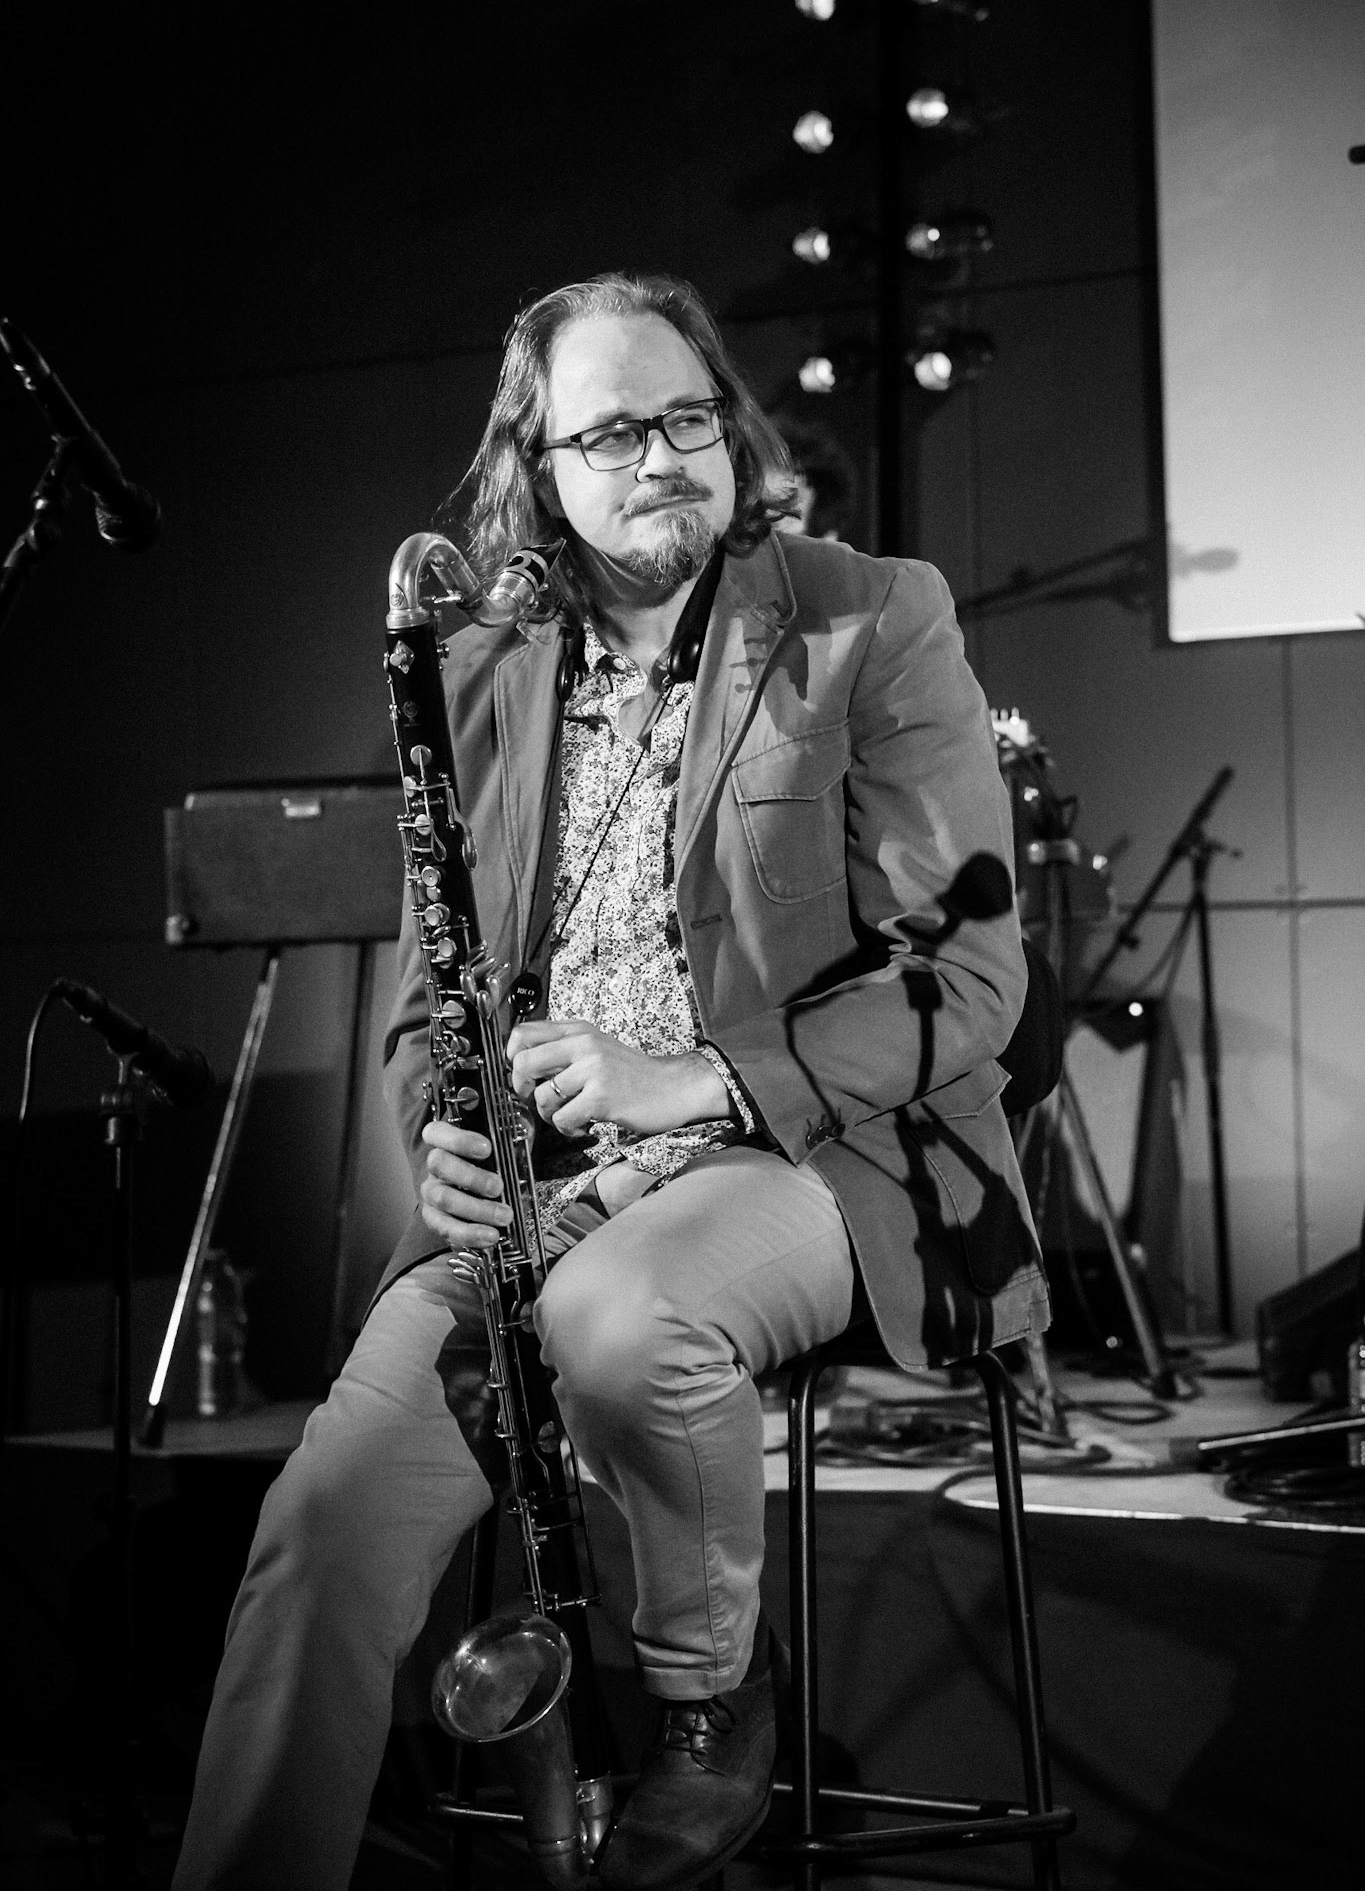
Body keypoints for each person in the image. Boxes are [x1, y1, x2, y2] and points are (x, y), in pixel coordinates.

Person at [173, 271, 1049, 1891]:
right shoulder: (479, 664)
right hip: (537, 1198)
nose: (664, 457)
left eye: (689, 416)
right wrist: (429, 1132)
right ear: (538, 467)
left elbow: (976, 981)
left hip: (803, 1158)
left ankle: (711, 1702)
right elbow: (432, 974)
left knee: (618, 1319)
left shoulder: (867, 612)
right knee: (323, 1531)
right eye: (615, 431)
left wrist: (697, 1079)